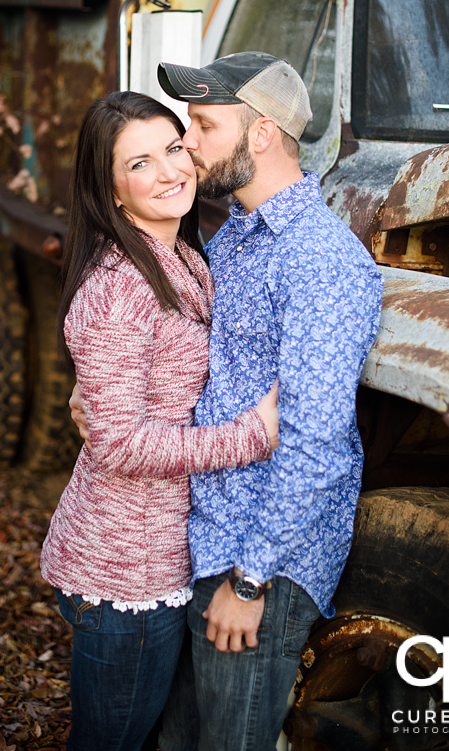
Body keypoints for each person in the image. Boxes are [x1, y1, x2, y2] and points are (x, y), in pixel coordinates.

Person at [71, 53, 383, 751]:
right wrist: (93, 378)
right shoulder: (235, 234)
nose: (188, 146)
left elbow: (315, 443)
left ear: (261, 134)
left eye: (204, 127)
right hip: (203, 537)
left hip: (257, 559)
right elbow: (165, 339)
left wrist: (249, 583)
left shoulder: (319, 260)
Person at [39, 91, 280, 751]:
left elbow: (129, 402)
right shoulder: (121, 287)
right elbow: (121, 444)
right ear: (111, 191)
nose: (171, 171)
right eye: (140, 163)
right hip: (126, 572)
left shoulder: (184, 258)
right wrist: (252, 437)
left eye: (174, 148)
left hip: (161, 549)